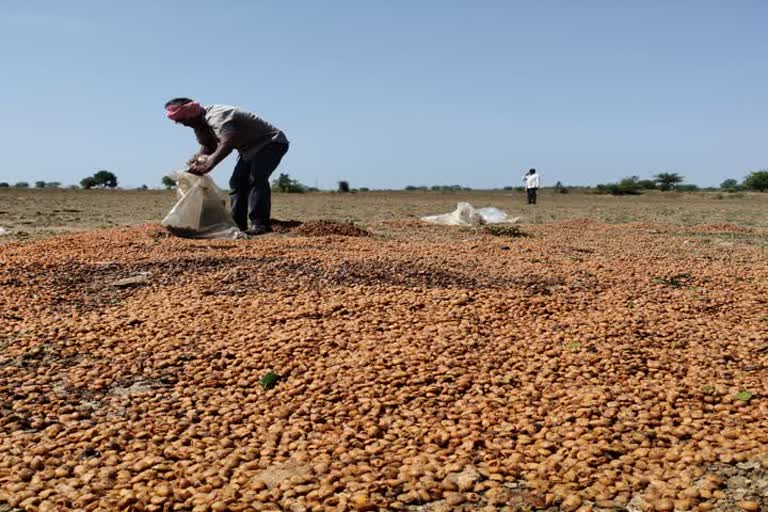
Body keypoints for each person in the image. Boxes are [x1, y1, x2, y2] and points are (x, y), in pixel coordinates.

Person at [165, 98, 289, 235]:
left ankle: (260, 224)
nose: (182, 124)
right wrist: (197, 161)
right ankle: (237, 224)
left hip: (271, 143)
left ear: (191, 113)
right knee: (237, 182)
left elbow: (228, 142)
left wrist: (209, 164)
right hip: (248, 149)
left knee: (256, 178)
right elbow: (208, 146)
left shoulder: (218, 115)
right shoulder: (199, 124)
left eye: (182, 119)